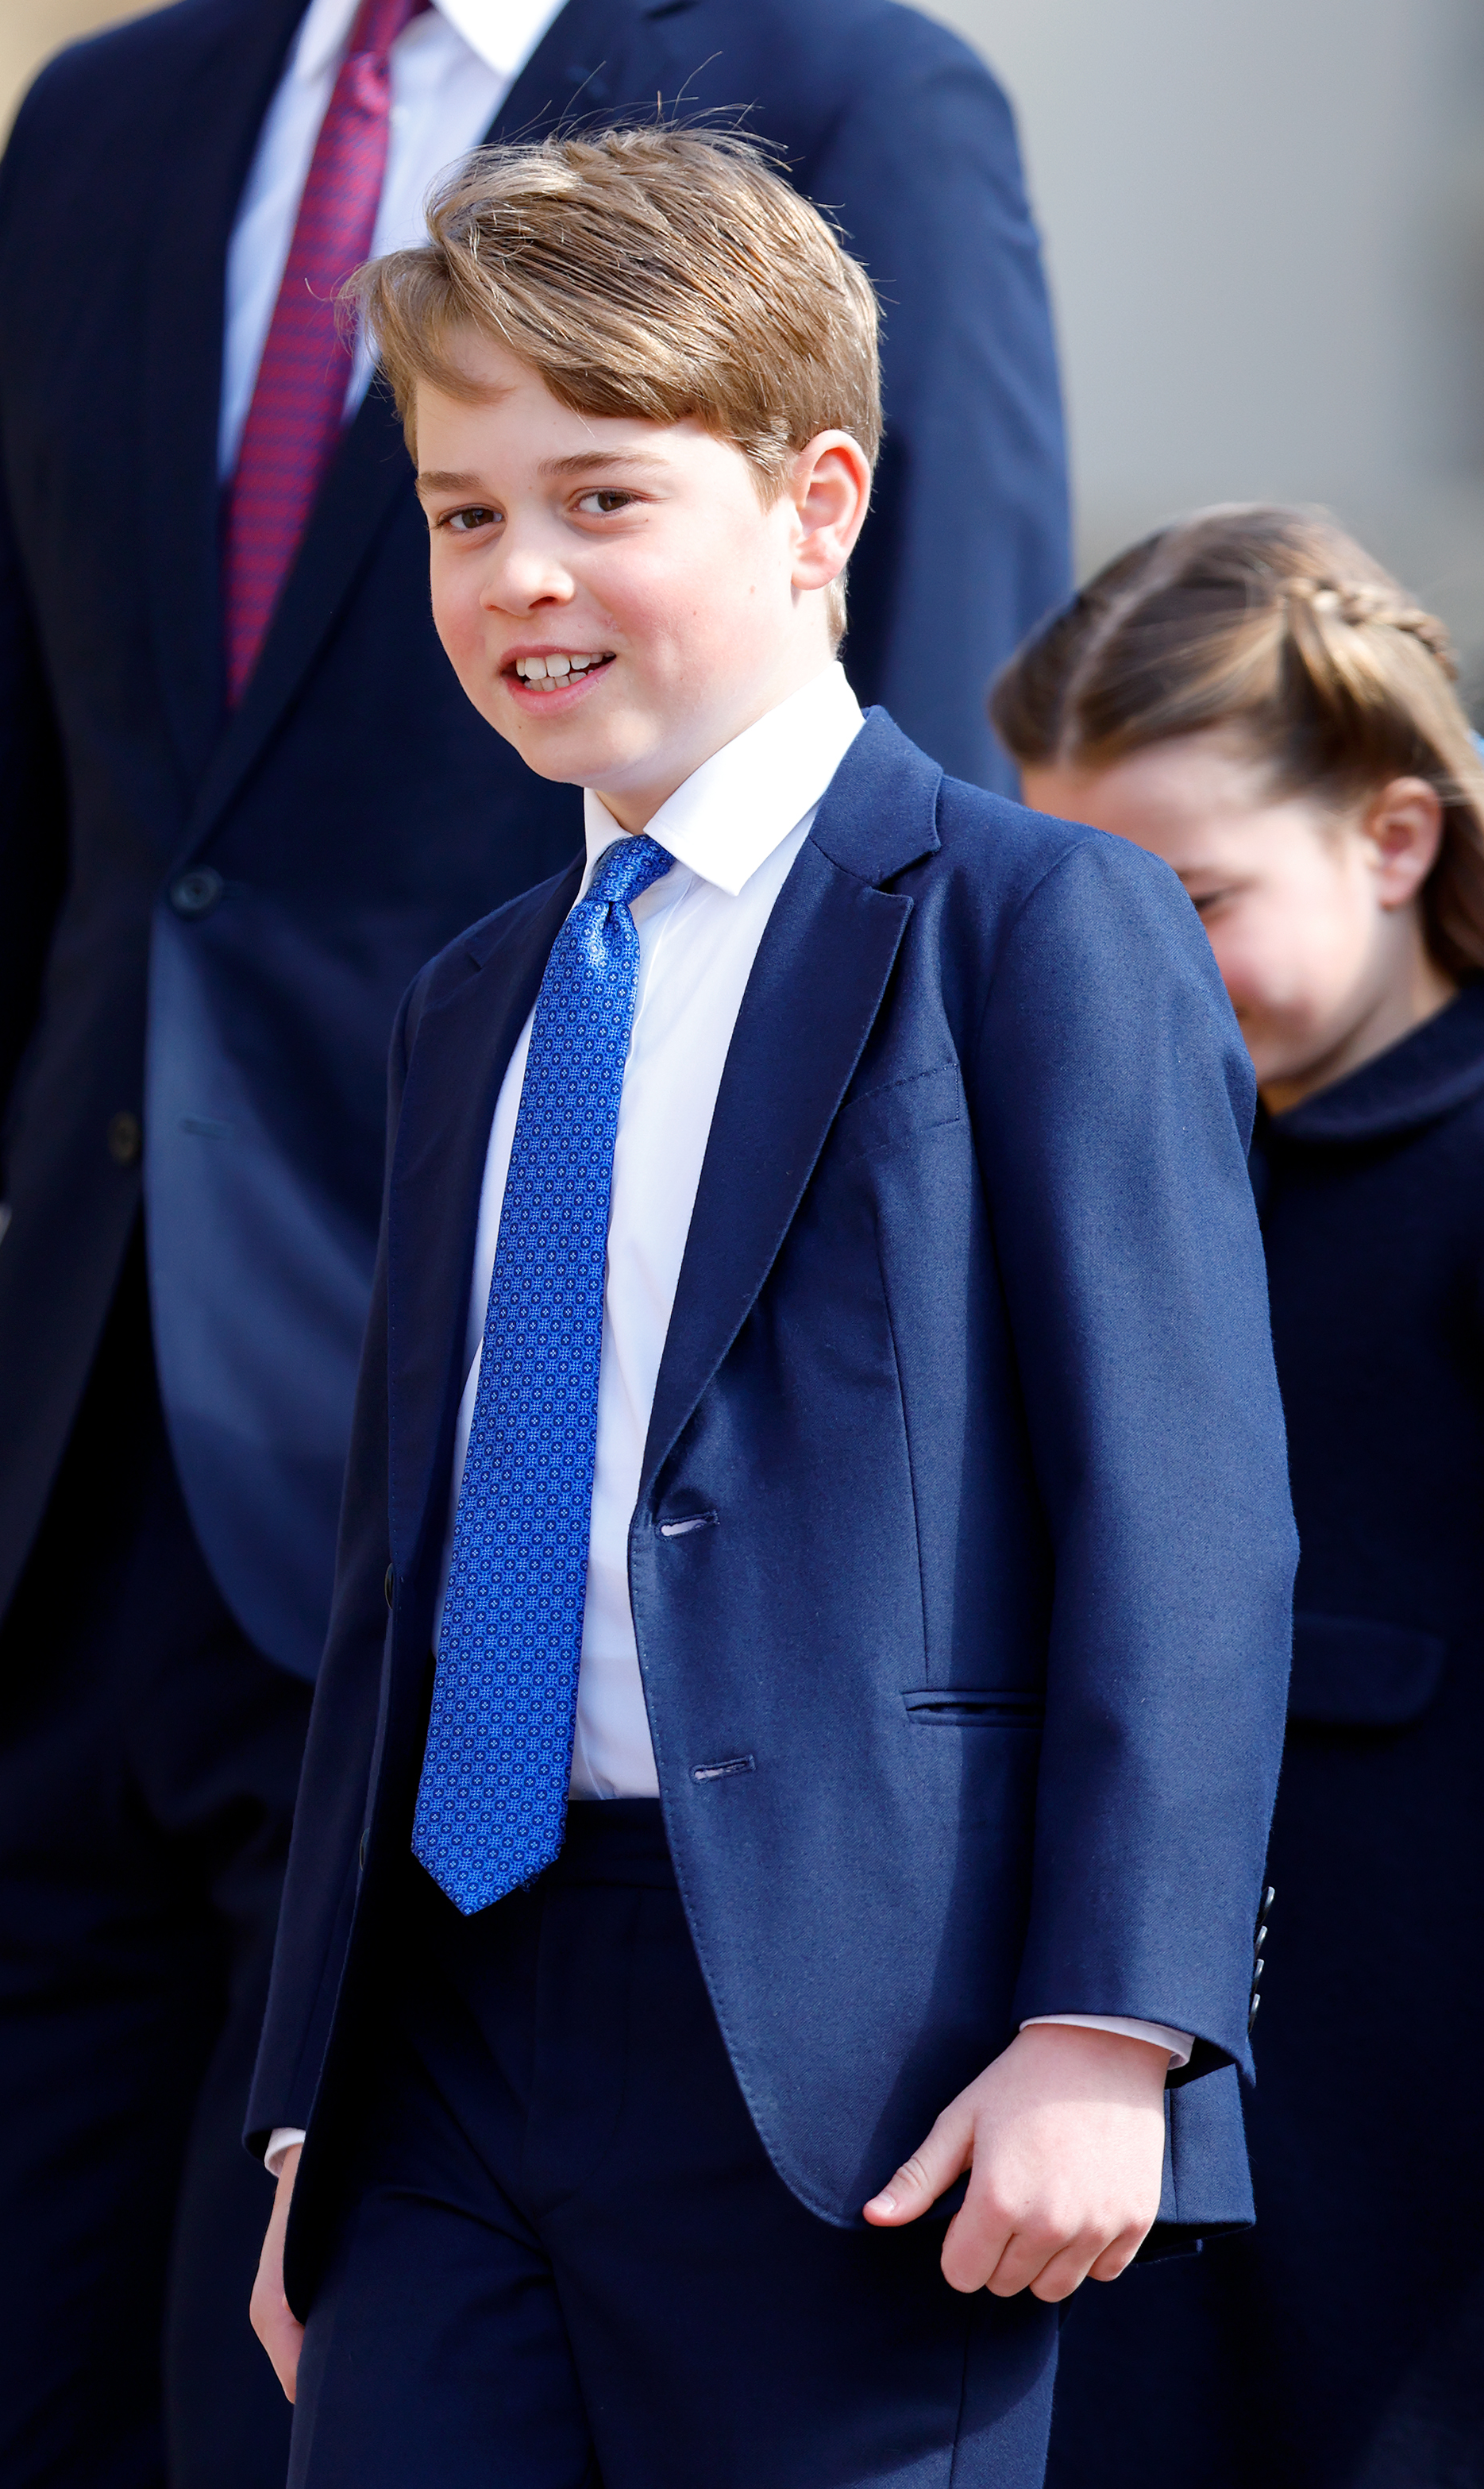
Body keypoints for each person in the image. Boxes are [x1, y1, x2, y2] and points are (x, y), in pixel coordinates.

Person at [0, 2, 1070, 2483]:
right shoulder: (107, 112)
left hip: (521, 1558)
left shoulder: (848, 89)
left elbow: (920, 851)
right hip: (60, 1538)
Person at [242, 129, 1295, 2489]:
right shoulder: (470, 1001)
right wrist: (311, 2088)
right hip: (451, 2029)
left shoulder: (1032, 929)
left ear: (815, 504)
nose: (519, 575)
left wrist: (1107, 2022)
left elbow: (1183, 1513)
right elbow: (394, 1573)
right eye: (458, 510)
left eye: (601, 497)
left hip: (864, 2052)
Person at [996, 505, 1484, 2489]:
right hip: (1163, 2154)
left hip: (1418, 2172)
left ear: (1393, 838)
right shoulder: (1119, 1180)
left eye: (1190, 897)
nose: (1137, 970)